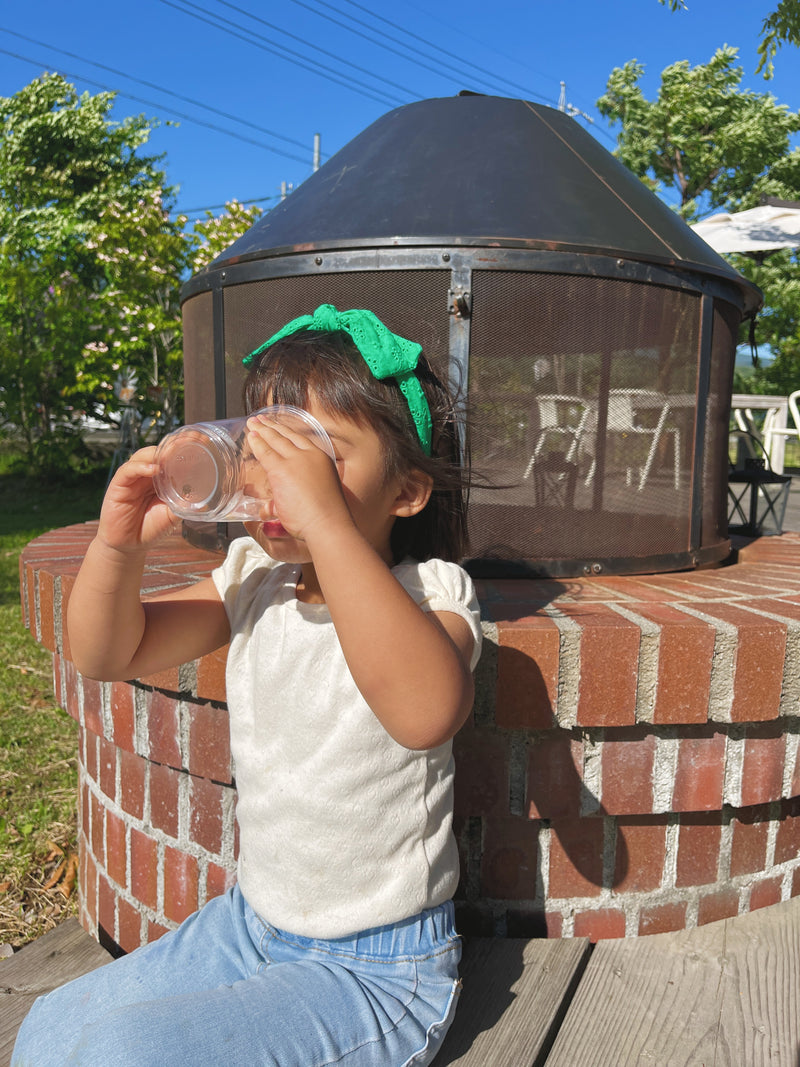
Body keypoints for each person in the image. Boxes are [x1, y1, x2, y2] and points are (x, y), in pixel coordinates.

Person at [12, 305, 483, 1067]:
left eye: (319, 455)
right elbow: (106, 650)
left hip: (376, 972)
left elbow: (426, 710)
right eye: (266, 450)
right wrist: (116, 544)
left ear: (407, 492)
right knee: (52, 1029)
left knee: (120, 1054)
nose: (281, 482)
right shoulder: (252, 580)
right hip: (250, 927)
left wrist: (325, 524)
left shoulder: (433, 594)